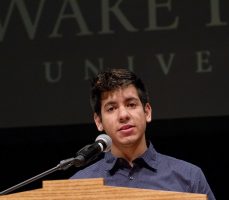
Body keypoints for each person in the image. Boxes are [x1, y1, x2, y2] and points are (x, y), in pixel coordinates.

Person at [70, 68, 216, 200]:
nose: (123, 115)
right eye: (111, 108)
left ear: (147, 112)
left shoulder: (189, 177)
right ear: (98, 121)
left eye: (131, 104)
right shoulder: (77, 186)